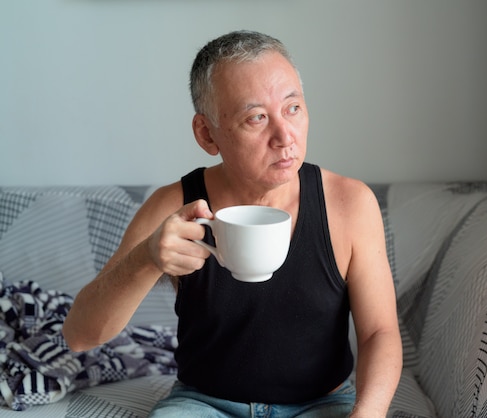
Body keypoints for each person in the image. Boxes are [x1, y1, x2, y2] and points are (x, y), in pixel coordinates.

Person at [62, 30, 402, 417]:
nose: (284, 136)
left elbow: (380, 332)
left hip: (321, 402)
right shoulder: (175, 206)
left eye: (293, 108)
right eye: (256, 117)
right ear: (207, 134)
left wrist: (369, 412)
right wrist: (147, 259)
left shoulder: (349, 203)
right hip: (203, 403)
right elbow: (79, 335)